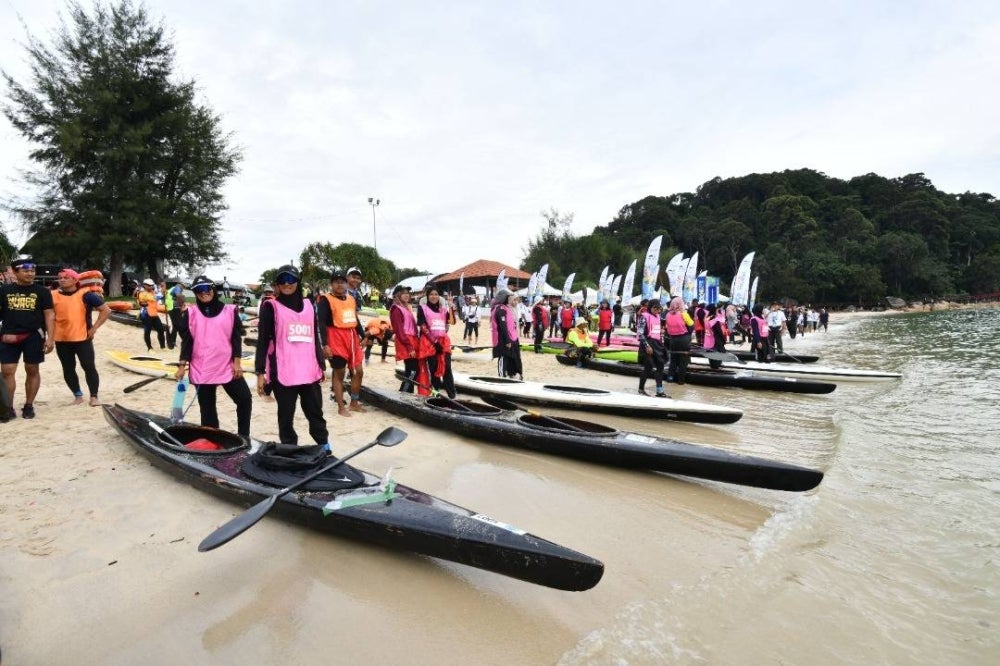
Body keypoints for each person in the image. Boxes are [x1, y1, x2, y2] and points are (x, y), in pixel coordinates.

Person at [253, 265, 330, 447]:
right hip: (284, 372)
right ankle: (290, 449)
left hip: (309, 371)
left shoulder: (310, 306)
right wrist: (260, 372)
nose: (287, 284)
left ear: (297, 281)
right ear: (277, 284)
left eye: (291, 279)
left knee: (315, 413)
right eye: (282, 280)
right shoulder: (270, 307)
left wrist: (321, 365)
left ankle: (324, 446)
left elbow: (314, 339)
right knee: (286, 416)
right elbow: (263, 340)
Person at [174, 276, 253, 436]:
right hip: (202, 368)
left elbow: (236, 339)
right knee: (208, 409)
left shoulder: (230, 311)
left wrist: (237, 363)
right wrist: (182, 366)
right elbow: (187, 342)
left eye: (206, 289)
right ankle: (212, 440)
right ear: (195, 293)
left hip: (227, 366)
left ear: (213, 289)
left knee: (245, 399)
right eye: (198, 290)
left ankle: (243, 436)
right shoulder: (191, 313)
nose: (204, 293)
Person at [0, 257, 56, 420]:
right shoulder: (4, 290)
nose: (30, 273)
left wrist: (50, 338)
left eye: (32, 271)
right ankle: (8, 407)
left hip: (33, 336)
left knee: (32, 370)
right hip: (8, 335)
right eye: (25, 271)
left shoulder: (42, 292)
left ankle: (29, 405)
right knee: (7, 372)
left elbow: (49, 314)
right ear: (15, 272)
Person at [51, 268, 110, 406]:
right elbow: (47, 315)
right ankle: (77, 395)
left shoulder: (87, 295)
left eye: (66, 277)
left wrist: (94, 328)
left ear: (75, 279)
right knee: (68, 368)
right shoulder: (52, 295)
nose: (62, 279)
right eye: (60, 277)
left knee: (89, 367)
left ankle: (94, 397)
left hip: (82, 338)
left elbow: (106, 310)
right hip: (61, 339)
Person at [316, 268, 365, 417]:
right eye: (336, 282)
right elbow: (321, 323)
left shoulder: (351, 298)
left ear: (346, 283)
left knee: (358, 371)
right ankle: (340, 406)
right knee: (340, 373)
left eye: (342, 282)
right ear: (331, 284)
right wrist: (325, 344)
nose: (339, 285)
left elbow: (354, 319)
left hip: (352, 337)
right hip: (335, 337)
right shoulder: (325, 299)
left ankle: (354, 403)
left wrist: (363, 335)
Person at [417, 286, 457, 398]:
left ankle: (452, 395)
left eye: (436, 294)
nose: (434, 296)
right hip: (429, 343)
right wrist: (434, 342)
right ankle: (436, 392)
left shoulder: (443, 310)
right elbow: (422, 326)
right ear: (427, 296)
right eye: (431, 294)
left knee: (447, 368)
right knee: (434, 368)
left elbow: (452, 321)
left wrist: (451, 307)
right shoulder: (422, 308)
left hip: (443, 342)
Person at [389, 285, 421, 392]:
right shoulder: (396, 310)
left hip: (412, 340)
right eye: (403, 293)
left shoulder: (406, 308)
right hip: (406, 341)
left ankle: (407, 392)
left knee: (411, 369)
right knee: (413, 370)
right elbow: (399, 330)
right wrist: (409, 347)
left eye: (408, 293)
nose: (407, 295)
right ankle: (404, 392)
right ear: (397, 295)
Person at [637, 300, 668, 397]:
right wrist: (647, 346)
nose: (657, 310)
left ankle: (659, 390)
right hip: (647, 344)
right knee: (649, 366)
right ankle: (641, 389)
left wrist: (662, 341)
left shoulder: (658, 317)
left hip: (657, 344)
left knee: (660, 366)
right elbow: (640, 333)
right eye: (655, 308)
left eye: (659, 308)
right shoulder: (644, 316)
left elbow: (658, 332)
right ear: (650, 307)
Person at [490, 288, 522, 379]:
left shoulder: (505, 308)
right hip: (502, 338)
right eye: (508, 297)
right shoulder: (500, 309)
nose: (509, 299)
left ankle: (510, 374)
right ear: (504, 297)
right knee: (503, 357)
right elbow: (503, 326)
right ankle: (501, 376)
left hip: (509, 337)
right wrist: (507, 340)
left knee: (508, 356)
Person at [665, 296, 694, 385]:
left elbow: (667, 327)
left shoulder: (667, 314)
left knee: (673, 360)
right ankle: (681, 380)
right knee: (683, 361)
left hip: (673, 339)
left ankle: (670, 378)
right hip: (684, 339)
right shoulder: (683, 314)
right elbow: (691, 326)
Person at [137, 278, 166, 351]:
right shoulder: (142, 293)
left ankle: (162, 347)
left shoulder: (152, 292)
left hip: (154, 314)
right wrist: (162, 289)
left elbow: (162, 294)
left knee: (161, 330)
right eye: (149, 285)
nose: (151, 287)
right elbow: (156, 298)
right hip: (146, 315)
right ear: (145, 285)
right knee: (147, 331)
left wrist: (162, 288)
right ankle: (149, 348)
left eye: (152, 285)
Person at [702, 304, 728, 369]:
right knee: (718, 353)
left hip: (708, 338)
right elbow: (718, 331)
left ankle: (712, 366)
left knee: (710, 353)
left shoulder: (706, 318)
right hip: (715, 339)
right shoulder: (715, 320)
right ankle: (716, 366)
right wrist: (723, 339)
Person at [165, 281, 184, 349]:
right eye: (183, 286)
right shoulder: (177, 287)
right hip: (174, 307)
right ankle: (184, 340)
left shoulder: (170, 289)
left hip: (170, 308)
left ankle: (172, 342)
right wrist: (182, 304)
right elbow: (178, 295)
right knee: (180, 324)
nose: (183, 288)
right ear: (180, 284)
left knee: (175, 326)